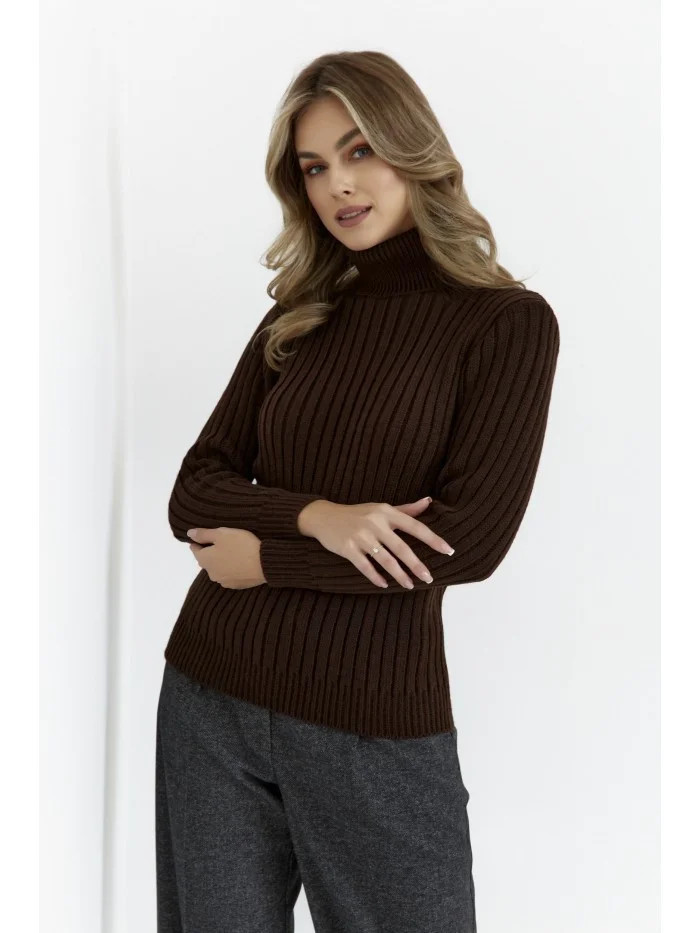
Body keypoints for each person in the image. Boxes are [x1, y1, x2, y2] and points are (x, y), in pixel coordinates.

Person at [156, 50, 560, 933]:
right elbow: (195, 490)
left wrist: (267, 559)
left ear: (413, 148)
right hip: (212, 695)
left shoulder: (506, 324)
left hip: (371, 724)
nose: (338, 184)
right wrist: (318, 517)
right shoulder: (302, 313)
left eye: (360, 150)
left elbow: (466, 543)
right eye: (313, 167)